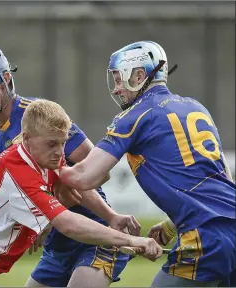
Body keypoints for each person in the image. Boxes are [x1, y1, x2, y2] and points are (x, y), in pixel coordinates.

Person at [0, 99, 162, 287]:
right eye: (52, 144)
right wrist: (133, 241)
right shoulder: (18, 170)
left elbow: (73, 185)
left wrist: (111, 216)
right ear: (27, 139)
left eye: (63, 142)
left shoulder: (41, 161)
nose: (60, 152)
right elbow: (69, 224)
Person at [58, 40, 236, 287]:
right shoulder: (196, 107)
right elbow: (223, 183)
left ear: (139, 75)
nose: (116, 88)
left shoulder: (135, 115)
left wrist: (42, 163)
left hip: (205, 236)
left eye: (120, 79)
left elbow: (85, 176)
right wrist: (171, 225)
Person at [0, 46, 139, 287]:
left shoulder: (39, 115)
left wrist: (54, 206)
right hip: (58, 247)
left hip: (96, 235)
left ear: (5, 79)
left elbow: (98, 172)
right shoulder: (1, 142)